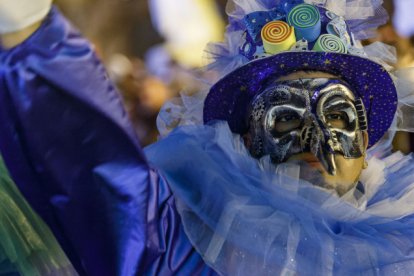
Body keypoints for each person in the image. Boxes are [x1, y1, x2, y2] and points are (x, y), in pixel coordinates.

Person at [1, 0, 414, 275]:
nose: (314, 138)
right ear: (248, 137)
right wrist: (29, 32)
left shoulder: (401, 238)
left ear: (366, 136)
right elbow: (103, 176)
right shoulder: (193, 240)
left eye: (337, 115)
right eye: (285, 118)